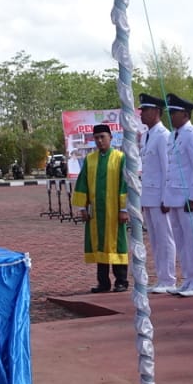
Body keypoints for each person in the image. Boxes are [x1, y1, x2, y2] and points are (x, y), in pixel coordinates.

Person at [71, 123, 129, 293]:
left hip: (114, 211)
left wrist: (124, 209)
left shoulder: (120, 158)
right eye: (96, 138)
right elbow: (82, 184)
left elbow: (124, 185)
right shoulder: (90, 160)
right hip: (96, 212)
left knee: (117, 244)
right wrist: (82, 207)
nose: (99, 141)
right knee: (99, 245)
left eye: (102, 137)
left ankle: (121, 281)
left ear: (110, 138)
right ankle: (103, 283)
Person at [161, 94, 193, 297]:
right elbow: (170, 168)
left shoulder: (192, 134)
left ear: (186, 114)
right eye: (169, 113)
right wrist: (166, 196)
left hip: (189, 198)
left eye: (174, 112)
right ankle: (188, 279)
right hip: (174, 196)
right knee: (181, 241)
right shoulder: (173, 135)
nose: (170, 116)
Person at [139, 94, 176, 293]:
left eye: (145, 110)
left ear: (156, 112)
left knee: (165, 238)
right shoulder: (146, 135)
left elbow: (167, 168)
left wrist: (165, 197)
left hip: (160, 197)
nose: (141, 113)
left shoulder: (163, 136)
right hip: (149, 196)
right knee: (155, 239)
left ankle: (169, 278)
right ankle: (161, 277)